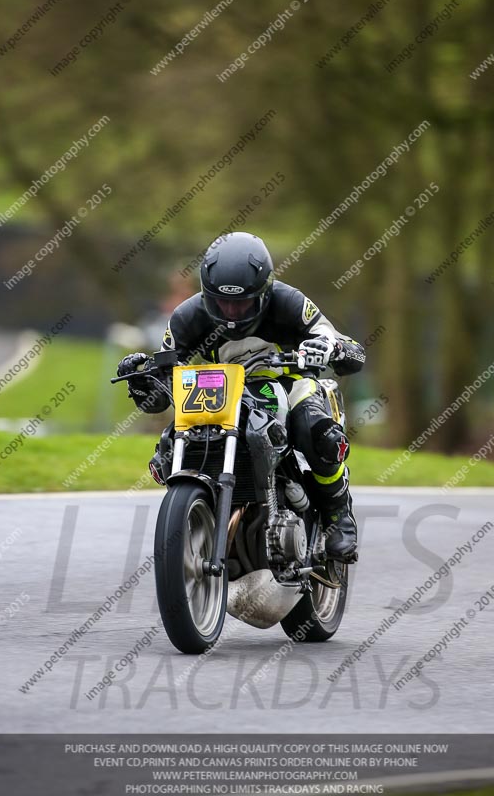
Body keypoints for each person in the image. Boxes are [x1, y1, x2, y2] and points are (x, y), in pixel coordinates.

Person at [117, 232, 366, 562]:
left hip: (289, 381)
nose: (232, 312)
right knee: (168, 446)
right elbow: (162, 383)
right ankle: (201, 510)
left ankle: (338, 516)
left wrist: (329, 347)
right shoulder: (186, 317)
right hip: (220, 388)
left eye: (242, 302)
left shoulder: (289, 301)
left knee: (315, 430)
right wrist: (143, 380)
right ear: (207, 295)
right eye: (223, 302)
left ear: (263, 292)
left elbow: (342, 345)